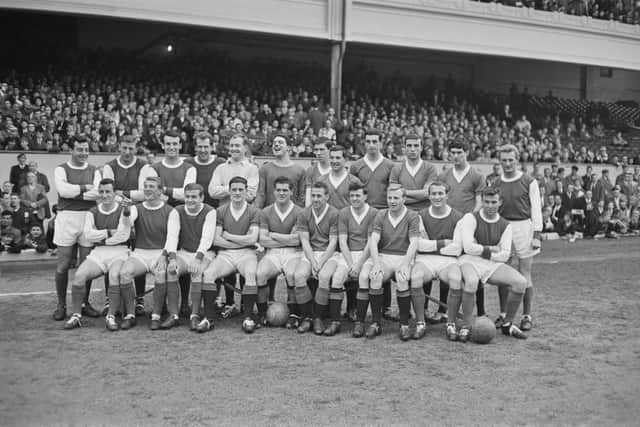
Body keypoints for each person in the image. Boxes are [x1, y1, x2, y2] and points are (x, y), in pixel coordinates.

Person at [457, 187, 528, 341]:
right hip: (468, 260)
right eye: (486, 202)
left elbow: (504, 255)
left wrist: (482, 249)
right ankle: (467, 325)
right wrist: (490, 248)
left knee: (520, 283)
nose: (490, 206)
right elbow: (468, 247)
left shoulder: (505, 225)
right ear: (481, 201)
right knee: (471, 281)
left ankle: (507, 324)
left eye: (494, 202)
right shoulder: (471, 218)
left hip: (491, 263)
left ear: (500, 202)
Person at [63, 178, 132, 330]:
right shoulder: (92, 212)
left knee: (114, 276)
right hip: (99, 252)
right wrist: (108, 232)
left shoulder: (123, 210)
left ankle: (111, 316)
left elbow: (123, 235)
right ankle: (76, 315)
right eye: (101, 192)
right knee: (79, 277)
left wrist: (102, 237)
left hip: (119, 251)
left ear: (115, 193)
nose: (105, 195)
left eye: (108, 191)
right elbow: (88, 235)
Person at [110, 176, 177, 330]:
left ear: (160, 191)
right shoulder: (136, 207)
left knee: (161, 273)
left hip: (160, 252)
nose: (147, 189)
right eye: (145, 186)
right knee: (124, 273)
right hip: (140, 253)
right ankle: (130, 315)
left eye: (151, 186)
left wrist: (164, 255)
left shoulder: (170, 211)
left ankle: (156, 315)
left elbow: (172, 237)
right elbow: (126, 224)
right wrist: (126, 211)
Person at [430, 140, 485, 323]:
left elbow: (479, 201)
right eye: (452, 152)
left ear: (466, 152)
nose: (455, 155)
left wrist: (469, 221)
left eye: (459, 152)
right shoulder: (445, 175)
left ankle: (482, 312)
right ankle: (444, 310)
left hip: (469, 228)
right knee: (448, 265)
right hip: (449, 226)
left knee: (474, 268)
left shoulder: (477, 175)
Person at [101, 135, 156, 316]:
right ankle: (111, 299)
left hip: (139, 215)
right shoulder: (110, 166)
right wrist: (127, 197)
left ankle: (138, 298)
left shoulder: (144, 166)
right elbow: (108, 192)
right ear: (119, 147)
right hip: (114, 215)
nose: (127, 152)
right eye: (124, 148)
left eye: (131, 148)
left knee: (137, 254)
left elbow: (144, 193)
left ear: (136, 148)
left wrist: (122, 193)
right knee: (112, 256)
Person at [358, 184, 421, 341]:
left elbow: (414, 243)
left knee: (402, 279)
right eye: (389, 198)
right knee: (376, 276)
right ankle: (376, 323)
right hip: (384, 256)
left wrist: (406, 263)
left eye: (396, 198)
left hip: (403, 256)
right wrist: (377, 263)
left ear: (404, 199)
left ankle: (404, 324)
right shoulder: (381, 214)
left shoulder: (412, 216)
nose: (392, 201)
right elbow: (373, 241)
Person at [201, 176, 261, 333]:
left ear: (246, 191)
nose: (237, 192)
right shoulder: (220, 211)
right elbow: (216, 240)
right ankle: (208, 318)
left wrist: (229, 236)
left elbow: (253, 238)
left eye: (241, 189)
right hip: (226, 254)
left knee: (250, 273)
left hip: (247, 253)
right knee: (208, 274)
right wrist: (242, 241)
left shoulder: (254, 211)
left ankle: (248, 318)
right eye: (234, 189)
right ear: (229, 191)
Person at [51, 136, 102, 321]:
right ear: (71, 150)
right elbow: (63, 192)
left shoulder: (94, 170)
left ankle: (83, 303)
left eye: (86, 149)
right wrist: (85, 188)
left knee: (86, 265)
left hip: (88, 217)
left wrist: (77, 191)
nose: (83, 153)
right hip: (66, 218)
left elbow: (98, 193)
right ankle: (61, 305)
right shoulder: (61, 169)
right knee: (63, 265)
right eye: (79, 149)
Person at [349, 129, 396, 320]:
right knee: (356, 256)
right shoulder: (356, 166)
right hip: (361, 213)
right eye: (368, 141)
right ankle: (352, 307)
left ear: (381, 143)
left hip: (382, 215)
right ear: (364, 143)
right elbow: (352, 191)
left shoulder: (390, 165)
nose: (371, 145)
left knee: (380, 257)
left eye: (375, 141)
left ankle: (384, 306)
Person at [149, 130, 197, 318]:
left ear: (180, 145)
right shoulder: (154, 167)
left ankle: (183, 302)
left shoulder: (189, 168)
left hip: (184, 216)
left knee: (180, 258)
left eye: (174, 144)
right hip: (161, 215)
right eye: (168, 143)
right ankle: (160, 304)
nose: (171, 147)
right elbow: (152, 191)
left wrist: (164, 192)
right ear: (162, 145)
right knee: (163, 259)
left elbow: (186, 193)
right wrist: (169, 193)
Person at [495, 144, 542, 332]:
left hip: (524, 227)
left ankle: (526, 315)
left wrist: (537, 235)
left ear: (517, 160)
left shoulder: (529, 181)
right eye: (504, 160)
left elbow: (536, 209)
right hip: (503, 227)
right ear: (500, 161)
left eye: (511, 160)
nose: (507, 164)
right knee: (502, 274)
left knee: (525, 273)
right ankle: (504, 314)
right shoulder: (496, 183)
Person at [158, 183, 217, 332]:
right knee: (171, 271)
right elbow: (172, 236)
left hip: (204, 253)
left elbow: (207, 239)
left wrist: (198, 259)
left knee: (196, 272)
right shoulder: (176, 211)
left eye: (194, 197)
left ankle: (194, 315)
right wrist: (171, 259)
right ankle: (174, 315)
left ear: (202, 198)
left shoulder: (210, 211)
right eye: (187, 196)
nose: (190, 200)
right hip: (184, 252)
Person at [411, 181, 463, 340]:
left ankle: (451, 323)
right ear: (428, 195)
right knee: (416, 277)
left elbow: (458, 247)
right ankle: (420, 322)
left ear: (447, 195)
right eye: (433, 193)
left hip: (448, 260)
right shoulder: (420, 215)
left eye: (440, 193)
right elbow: (418, 244)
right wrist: (443, 243)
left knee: (456, 279)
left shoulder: (458, 216)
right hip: (425, 259)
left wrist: (431, 246)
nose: (437, 197)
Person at [293, 181, 340, 334]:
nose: (315, 199)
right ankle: (307, 317)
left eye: (319, 196)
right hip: (311, 253)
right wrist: (313, 260)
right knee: (298, 276)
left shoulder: (334, 213)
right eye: (313, 195)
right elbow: (304, 240)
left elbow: (333, 242)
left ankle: (318, 317)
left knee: (324, 276)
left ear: (327, 196)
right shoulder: (304, 213)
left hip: (330, 254)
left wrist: (321, 262)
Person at [256, 176, 303, 328]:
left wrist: (274, 235)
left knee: (291, 274)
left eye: (285, 190)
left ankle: (294, 314)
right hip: (273, 253)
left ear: (291, 192)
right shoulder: (265, 211)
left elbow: (297, 241)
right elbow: (263, 240)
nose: (281, 193)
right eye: (278, 190)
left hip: (293, 252)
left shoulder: (300, 212)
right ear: (274, 191)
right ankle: (263, 313)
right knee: (260, 274)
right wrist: (287, 238)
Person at [337, 183, 378, 337]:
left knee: (363, 277)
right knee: (337, 278)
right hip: (348, 255)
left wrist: (359, 264)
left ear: (365, 196)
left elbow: (371, 242)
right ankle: (335, 321)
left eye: (358, 195)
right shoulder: (344, 213)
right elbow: (342, 241)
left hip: (367, 254)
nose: (354, 198)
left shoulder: (374, 213)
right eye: (352, 196)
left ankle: (360, 322)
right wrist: (351, 264)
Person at [388, 134, 438, 211]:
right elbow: (395, 196)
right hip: (403, 213)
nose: (412, 149)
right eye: (409, 145)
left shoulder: (430, 168)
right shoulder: (397, 168)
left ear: (421, 148)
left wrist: (404, 192)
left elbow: (427, 193)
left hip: (425, 212)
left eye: (416, 146)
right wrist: (420, 196)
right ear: (404, 148)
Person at [255, 134, 306, 208]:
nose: (276, 144)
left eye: (280, 142)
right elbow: (261, 194)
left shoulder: (300, 170)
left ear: (288, 147)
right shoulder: (264, 169)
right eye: (274, 143)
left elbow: (301, 197)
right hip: (269, 216)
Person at [185, 131, 226, 208]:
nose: (203, 150)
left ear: (211, 147)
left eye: (206, 147)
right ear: (195, 147)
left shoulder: (221, 163)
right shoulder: (187, 163)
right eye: (200, 147)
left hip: (216, 208)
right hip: (193, 208)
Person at [317, 145, 363, 210]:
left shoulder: (354, 181)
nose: (334, 161)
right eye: (332, 158)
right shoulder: (321, 181)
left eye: (337, 158)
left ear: (346, 159)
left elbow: (360, 206)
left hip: (347, 219)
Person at [304, 137, 332, 206]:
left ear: (330, 150)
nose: (318, 153)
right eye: (316, 150)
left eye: (322, 149)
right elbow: (308, 196)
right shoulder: (310, 170)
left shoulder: (336, 169)